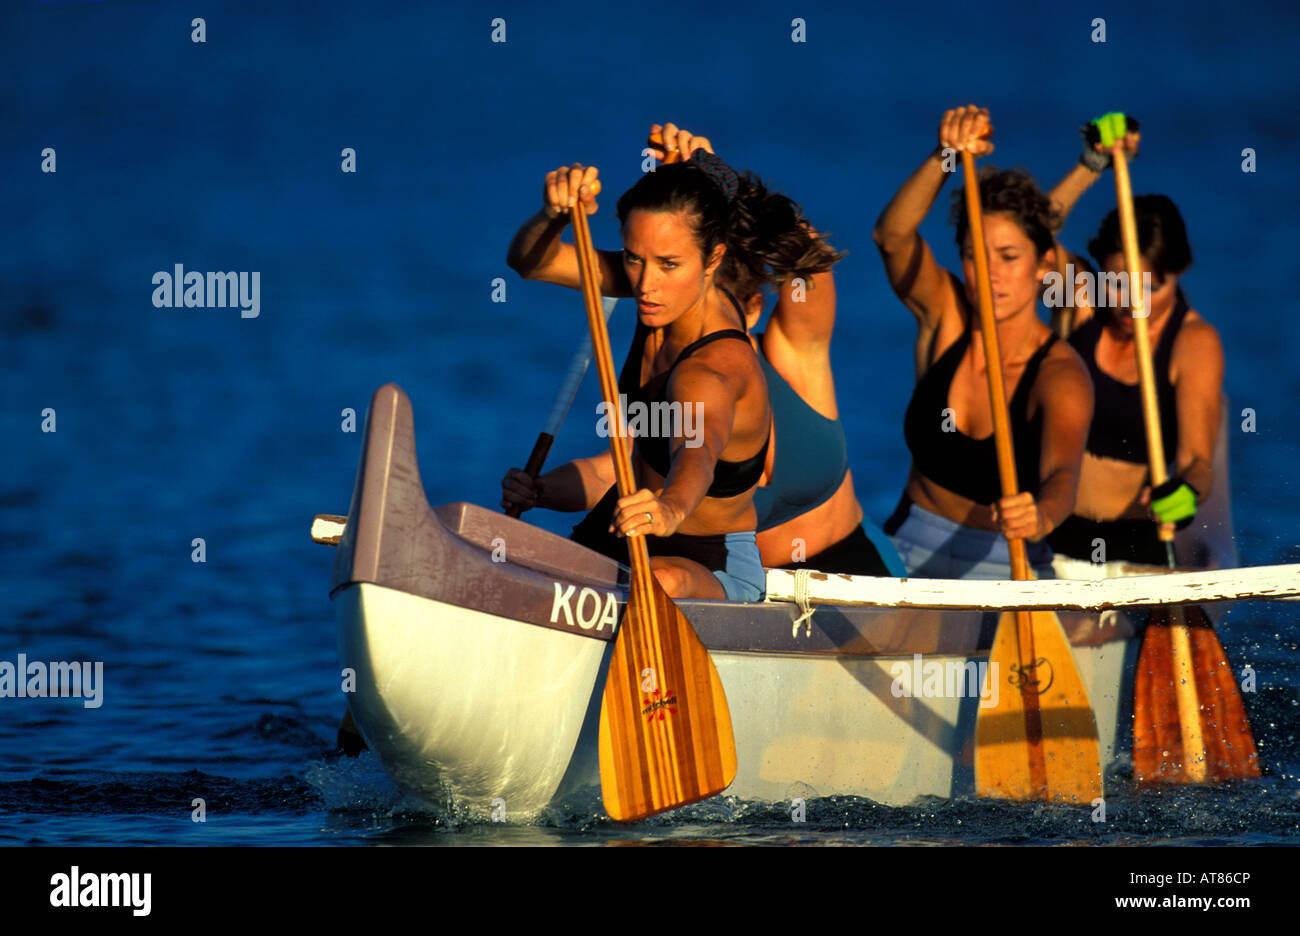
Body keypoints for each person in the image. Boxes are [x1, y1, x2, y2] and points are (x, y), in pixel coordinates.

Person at [502, 149, 828, 601]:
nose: (645, 284)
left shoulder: (714, 368)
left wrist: (670, 508)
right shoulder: (659, 292)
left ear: (713, 259)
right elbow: (529, 262)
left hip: (704, 565)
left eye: (668, 265)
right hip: (626, 538)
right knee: (506, 557)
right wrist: (553, 216)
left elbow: (697, 450)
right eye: (634, 259)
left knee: (656, 579)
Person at [645, 124, 905, 577]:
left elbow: (808, 262)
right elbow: (615, 471)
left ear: (753, 307)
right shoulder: (664, 372)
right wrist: (546, 489)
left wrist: (722, 184)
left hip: (851, 569)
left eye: (720, 306)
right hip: (731, 586)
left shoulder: (792, 351)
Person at [871, 106, 1093, 579]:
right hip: (908, 543)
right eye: (974, 256)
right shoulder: (945, 315)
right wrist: (945, 157)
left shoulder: (1060, 373)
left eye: (1008, 257)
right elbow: (891, 237)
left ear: (1044, 265)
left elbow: (1063, 477)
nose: (989, 274)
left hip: (1006, 560)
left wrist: (1042, 514)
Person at [1044, 125, 1222, 565]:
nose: (1133, 304)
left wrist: (1186, 493)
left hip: (1137, 550)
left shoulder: (1193, 341)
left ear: (1181, 273)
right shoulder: (1080, 298)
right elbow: (1033, 232)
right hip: (1046, 537)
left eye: (1153, 287)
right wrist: (1092, 164)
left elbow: (1198, 461)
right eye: (1119, 284)